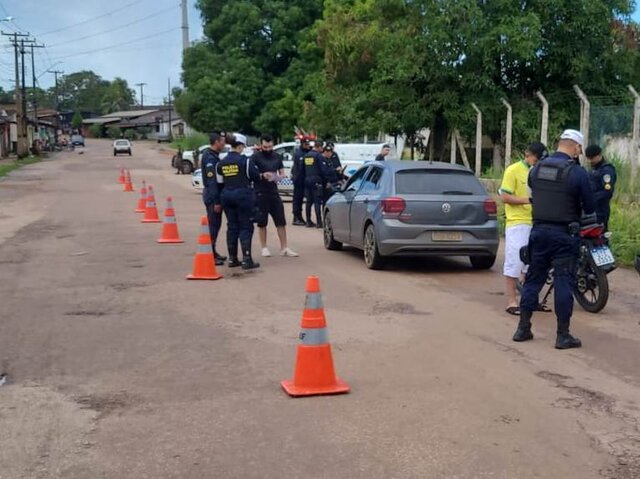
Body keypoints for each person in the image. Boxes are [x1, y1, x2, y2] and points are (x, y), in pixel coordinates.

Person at [513, 129, 596, 350]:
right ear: (576, 147)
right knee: (563, 282)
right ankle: (562, 335)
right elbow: (590, 206)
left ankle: (523, 328)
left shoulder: (536, 168)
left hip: (538, 233)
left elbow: (533, 194)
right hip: (563, 235)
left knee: (533, 279)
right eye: (579, 148)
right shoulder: (577, 173)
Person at [499, 141, 548, 316]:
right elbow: (505, 196)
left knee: (533, 264)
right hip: (517, 222)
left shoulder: (540, 172)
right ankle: (512, 301)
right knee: (515, 262)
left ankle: (530, 300)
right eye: (536, 158)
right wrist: (528, 201)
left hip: (536, 222)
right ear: (528, 154)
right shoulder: (513, 170)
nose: (537, 162)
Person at [215, 133, 262, 270]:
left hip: (226, 196)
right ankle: (247, 259)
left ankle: (232, 259)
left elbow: (219, 183)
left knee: (232, 226)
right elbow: (255, 177)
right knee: (246, 226)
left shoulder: (221, 163)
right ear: (240, 146)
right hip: (242, 195)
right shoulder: (246, 161)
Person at [251, 133, 299, 258]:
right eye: (265, 147)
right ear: (261, 145)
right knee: (262, 222)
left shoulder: (277, 156)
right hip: (260, 192)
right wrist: (262, 175)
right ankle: (264, 247)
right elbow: (252, 174)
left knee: (281, 221)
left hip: (274, 191)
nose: (268, 149)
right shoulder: (255, 157)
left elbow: (282, 172)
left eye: (270, 147)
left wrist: (279, 177)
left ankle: (284, 247)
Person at [201, 131, 227, 265]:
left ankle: (213, 251)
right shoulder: (210, 158)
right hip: (212, 196)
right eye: (222, 141)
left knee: (216, 225)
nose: (224, 143)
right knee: (213, 225)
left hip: (214, 195)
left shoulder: (213, 155)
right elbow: (212, 182)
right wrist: (217, 201)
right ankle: (209, 252)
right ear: (216, 142)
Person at [585, 144, 616, 231]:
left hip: (600, 211)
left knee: (600, 237)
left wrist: (591, 198)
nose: (590, 161)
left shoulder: (606, 170)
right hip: (591, 211)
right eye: (588, 158)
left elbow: (607, 192)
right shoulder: (593, 169)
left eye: (592, 158)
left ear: (599, 155)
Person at [303, 141, 325, 228]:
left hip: (307, 180)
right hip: (316, 180)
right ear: (319, 147)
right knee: (317, 202)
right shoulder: (318, 156)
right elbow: (322, 169)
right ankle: (319, 222)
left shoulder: (306, 155)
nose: (322, 149)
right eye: (321, 148)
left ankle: (308, 221)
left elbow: (303, 169)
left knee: (308, 202)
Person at [291, 137, 311, 226]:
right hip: (299, 180)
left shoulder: (307, 152)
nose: (308, 146)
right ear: (302, 144)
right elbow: (299, 168)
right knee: (297, 199)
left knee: (303, 199)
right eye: (306, 144)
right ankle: (296, 217)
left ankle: (301, 218)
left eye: (308, 144)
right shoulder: (299, 154)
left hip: (304, 180)